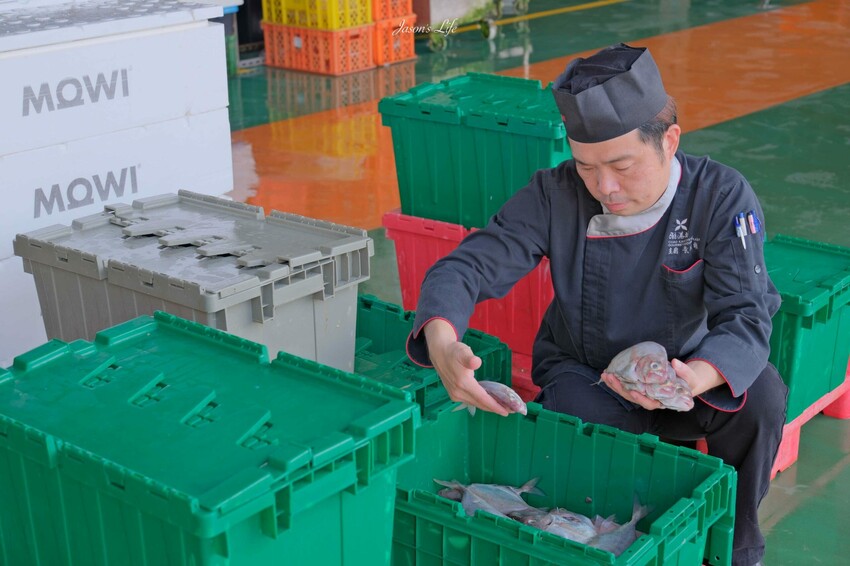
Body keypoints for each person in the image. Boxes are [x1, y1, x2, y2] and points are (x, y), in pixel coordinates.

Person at [404, 43, 787, 566]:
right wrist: (442, 340)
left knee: (761, 396)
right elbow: (465, 267)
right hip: (587, 373)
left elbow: (746, 315)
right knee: (580, 445)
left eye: (622, 166)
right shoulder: (555, 194)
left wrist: (685, 382)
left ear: (669, 141)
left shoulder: (719, 197)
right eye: (586, 166)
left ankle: (733, 547)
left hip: (690, 372)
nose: (604, 187)